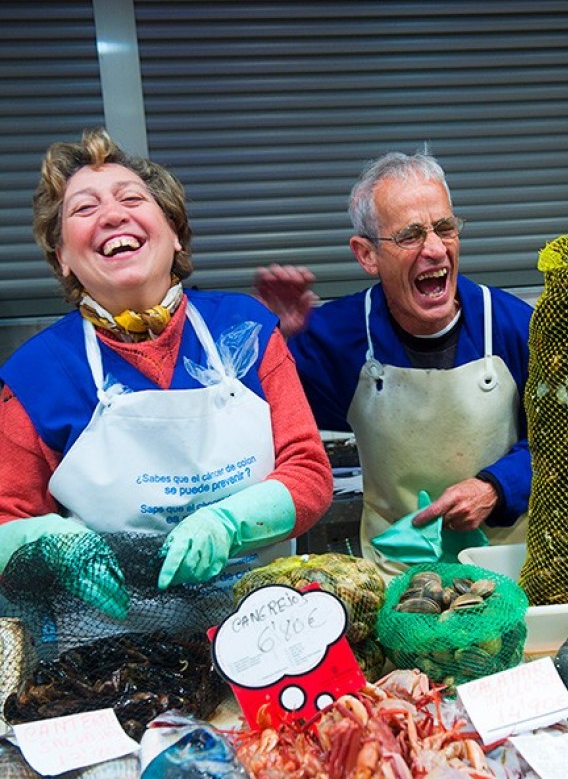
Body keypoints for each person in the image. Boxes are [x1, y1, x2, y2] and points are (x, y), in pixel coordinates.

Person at [0, 127, 333, 617]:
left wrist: (227, 522)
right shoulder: (34, 375)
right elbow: (8, 520)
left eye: (132, 198)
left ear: (174, 232)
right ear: (63, 259)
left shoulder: (247, 328)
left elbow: (309, 473)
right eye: (84, 209)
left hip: (265, 618)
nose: (113, 215)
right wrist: (47, 540)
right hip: (116, 638)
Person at [255, 151, 532, 574]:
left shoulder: (515, 325)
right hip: (395, 577)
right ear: (366, 255)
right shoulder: (331, 335)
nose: (436, 249)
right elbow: (258, 418)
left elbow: (564, 446)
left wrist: (497, 486)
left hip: (509, 566)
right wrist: (271, 342)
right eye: (410, 235)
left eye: (444, 228)